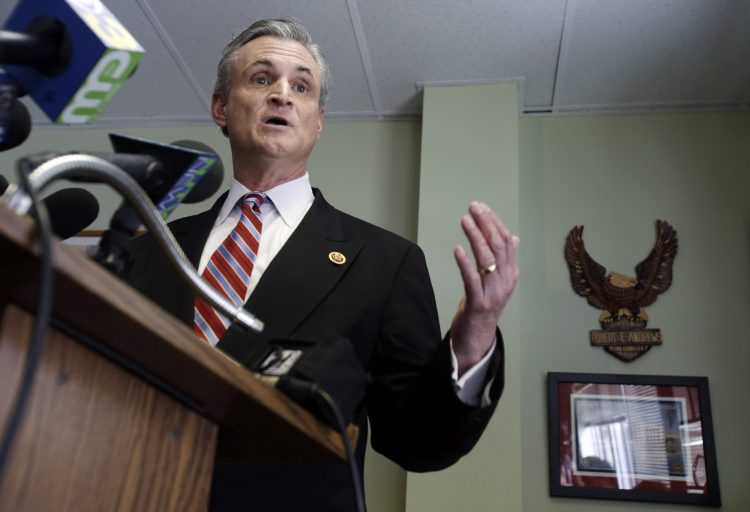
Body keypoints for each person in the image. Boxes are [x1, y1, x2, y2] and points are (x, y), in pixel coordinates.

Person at [125, 18, 520, 511]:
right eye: (262, 79)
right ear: (221, 108)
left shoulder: (384, 261)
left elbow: (415, 442)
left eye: (302, 86)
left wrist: (474, 337)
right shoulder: (150, 248)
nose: (282, 96)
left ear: (317, 121)